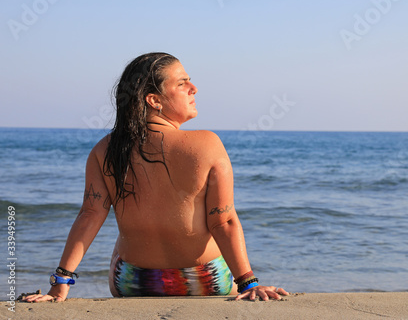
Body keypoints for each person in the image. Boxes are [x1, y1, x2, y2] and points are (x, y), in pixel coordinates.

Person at [25, 52, 288, 302]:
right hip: (206, 279)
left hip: (132, 281)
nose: (194, 88)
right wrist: (248, 283)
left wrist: (60, 282)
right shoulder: (207, 144)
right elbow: (223, 220)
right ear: (154, 100)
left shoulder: (104, 150)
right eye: (183, 83)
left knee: (120, 242)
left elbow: (90, 215)